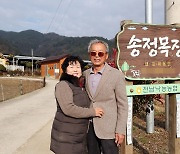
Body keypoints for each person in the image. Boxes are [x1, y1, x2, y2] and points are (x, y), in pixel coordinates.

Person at [50, 55, 104, 154]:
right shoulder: (63, 85)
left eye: (78, 67)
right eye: (71, 67)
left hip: (77, 136)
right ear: (65, 70)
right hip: (66, 137)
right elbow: (69, 109)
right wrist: (93, 112)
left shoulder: (81, 86)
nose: (75, 70)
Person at [83, 39, 128, 154]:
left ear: (106, 55)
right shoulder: (85, 74)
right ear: (89, 55)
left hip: (109, 128)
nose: (97, 56)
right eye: (93, 53)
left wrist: (120, 130)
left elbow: (123, 105)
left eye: (100, 53)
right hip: (89, 127)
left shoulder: (116, 75)